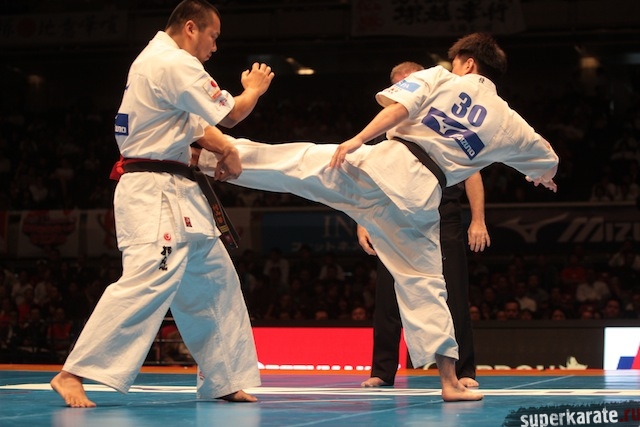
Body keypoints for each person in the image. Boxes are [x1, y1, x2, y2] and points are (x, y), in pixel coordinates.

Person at [198, 32, 559, 401]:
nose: (453, 67)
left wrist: (359, 138)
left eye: (456, 63)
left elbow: (398, 109)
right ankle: (450, 382)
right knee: (425, 284)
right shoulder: (508, 121)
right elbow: (546, 157)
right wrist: (542, 175)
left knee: (298, 163)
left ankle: (205, 157)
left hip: (383, 167)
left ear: (468, 63)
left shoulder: (441, 77)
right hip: (420, 199)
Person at [50, 0, 274, 408]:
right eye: (213, 36)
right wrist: (254, 89)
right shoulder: (173, 63)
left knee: (216, 282)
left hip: (179, 189)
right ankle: (73, 373)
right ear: (191, 27)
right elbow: (230, 115)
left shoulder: (155, 62)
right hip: (151, 191)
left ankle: (223, 378)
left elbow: (195, 126)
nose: (214, 46)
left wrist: (225, 149)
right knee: (148, 280)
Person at [356, 61, 488, 389]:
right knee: (388, 294)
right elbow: (369, 177)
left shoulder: (445, 119)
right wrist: (363, 222)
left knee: (453, 291)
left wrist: (478, 219)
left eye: (409, 82)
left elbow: (473, 171)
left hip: (444, 214)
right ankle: (382, 370)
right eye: (397, 85)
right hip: (396, 217)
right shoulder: (387, 126)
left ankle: (464, 370)